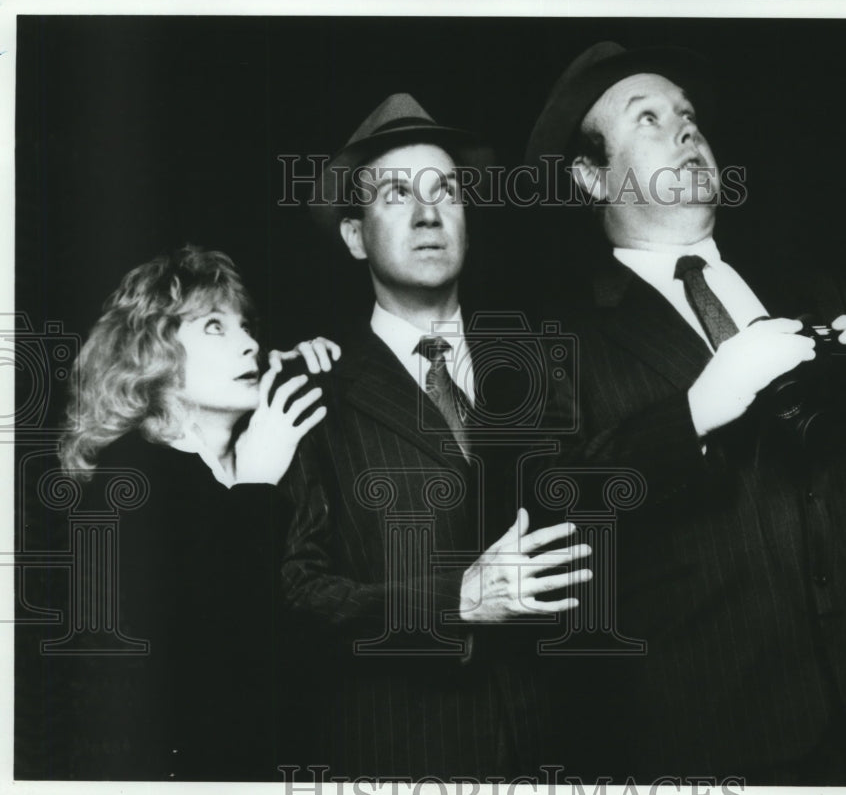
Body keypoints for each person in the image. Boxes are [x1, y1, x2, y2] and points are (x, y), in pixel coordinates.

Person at [522, 42, 846, 784]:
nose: (684, 130)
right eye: (646, 118)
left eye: (686, 115)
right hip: (717, 741)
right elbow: (559, 510)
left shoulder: (810, 286)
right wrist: (694, 412)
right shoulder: (557, 341)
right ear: (589, 175)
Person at [281, 93, 591, 780]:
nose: (428, 212)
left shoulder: (540, 365)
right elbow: (299, 596)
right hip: (403, 755)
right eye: (396, 193)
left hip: (561, 750)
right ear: (354, 235)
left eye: (444, 190)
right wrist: (459, 600)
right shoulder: (311, 395)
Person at [56, 245, 330, 780]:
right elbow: (212, 663)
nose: (250, 342)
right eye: (213, 327)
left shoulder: (276, 452)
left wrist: (332, 364)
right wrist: (254, 488)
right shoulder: (126, 485)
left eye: (246, 326)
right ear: (150, 351)